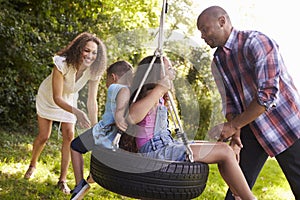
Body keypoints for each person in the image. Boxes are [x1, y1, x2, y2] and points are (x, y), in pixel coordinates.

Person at [197, 5, 300, 200]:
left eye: (204, 29)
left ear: (222, 22)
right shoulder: (217, 61)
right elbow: (229, 101)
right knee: (237, 188)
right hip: (251, 128)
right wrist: (235, 131)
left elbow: (268, 94)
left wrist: (234, 125)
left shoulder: (257, 42)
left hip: (286, 124)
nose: (202, 35)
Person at [126, 55, 257, 200]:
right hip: (155, 151)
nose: (172, 73)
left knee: (223, 150)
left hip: (166, 145)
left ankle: (238, 195)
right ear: (155, 73)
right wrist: (160, 89)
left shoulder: (160, 98)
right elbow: (132, 116)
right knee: (225, 151)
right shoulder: (150, 94)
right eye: (168, 69)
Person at [24, 32, 107, 194]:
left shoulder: (94, 71)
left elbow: (92, 101)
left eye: (94, 52)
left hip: (69, 99)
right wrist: (78, 113)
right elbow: (56, 97)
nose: (90, 56)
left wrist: (95, 127)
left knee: (69, 135)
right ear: (78, 49)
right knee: (44, 136)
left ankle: (62, 180)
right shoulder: (62, 63)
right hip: (49, 98)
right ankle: (33, 164)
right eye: (87, 50)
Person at [69, 60, 133, 200]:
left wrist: (118, 115)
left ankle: (80, 184)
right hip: (118, 137)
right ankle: (93, 175)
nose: (106, 84)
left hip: (104, 131)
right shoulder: (134, 91)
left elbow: (122, 94)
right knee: (100, 150)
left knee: (75, 146)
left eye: (107, 79)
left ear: (113, 77)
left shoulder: (116, 87)